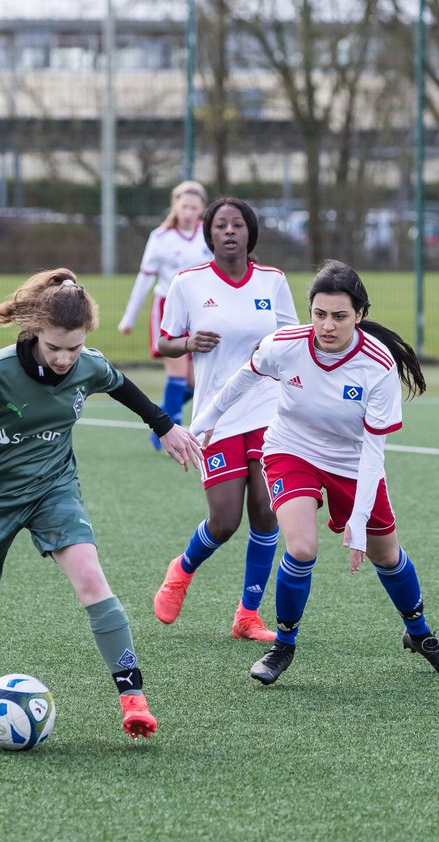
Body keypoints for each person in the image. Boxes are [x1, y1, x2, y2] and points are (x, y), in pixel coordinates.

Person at [0, 269, 203, 740]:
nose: (67, 358)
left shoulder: (87, 363)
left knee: (92, 580)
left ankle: (133, 698)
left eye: (75, 346)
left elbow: (123, 386)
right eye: (55, 348)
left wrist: (165, 425)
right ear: (32, 332)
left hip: (54, 490)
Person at [189, 260, 439, 685]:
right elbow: (242, 380)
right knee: (301, 547)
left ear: (360, 315)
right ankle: (284, 645)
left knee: (386, 555)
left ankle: (420, 634)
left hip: (353, 462)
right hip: (289, 449)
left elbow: (374, 450)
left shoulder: (377, 365)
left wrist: (357, 521)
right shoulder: (286, 344)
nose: (327, 325)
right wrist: (203, 421)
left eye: (339, 316)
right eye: (319, 314)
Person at [153, 196, 299, 642]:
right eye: (221, 225)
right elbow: (165, 343)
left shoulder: (273, 281)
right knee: (224, 520)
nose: (230, 231)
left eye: (238, 224)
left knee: (265, 513)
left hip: (269, 409)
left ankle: (248, 615)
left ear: (250, 232)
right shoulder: (188, 283)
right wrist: (189, 343)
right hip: (217, 413)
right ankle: (181, 569)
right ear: (209, 233)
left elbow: (294, 341)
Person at [118, 180, 212, 451]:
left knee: (198, 383)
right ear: (175, 205)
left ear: (201, 209)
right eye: (184, 206)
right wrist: (129, 318)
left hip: (201, 311)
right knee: (178, 373)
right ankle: (167, 436)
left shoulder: (208, 234)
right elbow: (145, 279)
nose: (188, 212)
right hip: (167, 309)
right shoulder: (160, 237)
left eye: (194, 207)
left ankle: (159, 417)